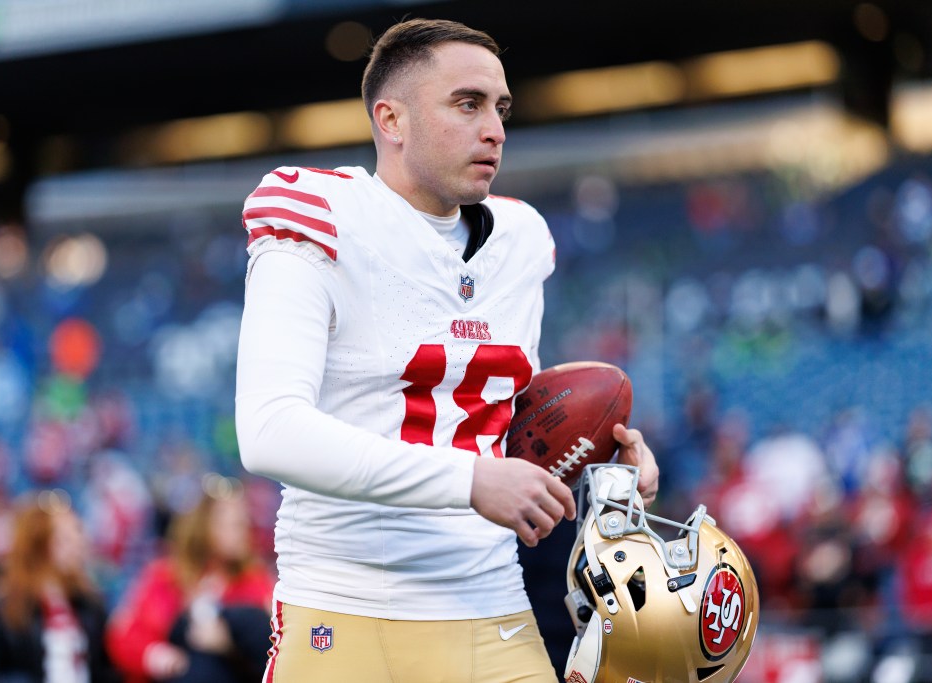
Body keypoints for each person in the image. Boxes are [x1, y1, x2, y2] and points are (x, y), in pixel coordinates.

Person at [235, 17, 660, 682]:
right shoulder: (318, 214)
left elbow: (504, 421)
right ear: (391, 119)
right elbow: (268, 432)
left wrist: (601, 461)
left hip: (487, 602)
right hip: (348, 608)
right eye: (467, 104)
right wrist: (470, 479)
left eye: (501, 108)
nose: (494, 128)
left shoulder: (521, 241)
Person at [105, 476, 274, 683]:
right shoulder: (165, 576)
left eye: (244, 523)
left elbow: (271, 648)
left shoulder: (255, 581)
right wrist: (159, 656)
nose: (242, 532)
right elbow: (124, 637)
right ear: (204, 527)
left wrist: (229, 645)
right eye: (232, 525)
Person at [0, 490, 120, 683]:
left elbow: (104, 668)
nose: (78, 546)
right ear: (39, 545)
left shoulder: (89, 603)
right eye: (65, 539)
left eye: (78, 535)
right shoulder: (1, 604)